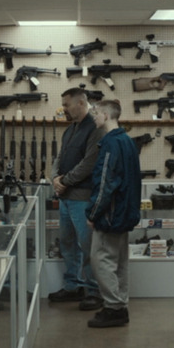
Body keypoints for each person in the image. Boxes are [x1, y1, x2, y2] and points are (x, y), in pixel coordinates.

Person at [85, 100, 142, 328]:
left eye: (96, 113)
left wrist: (93, 213)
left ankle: (114, 308)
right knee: (119, 263)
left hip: (110, 215)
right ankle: (119, 305)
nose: (94, 117)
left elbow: (104, 183)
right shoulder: (127, 141)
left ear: (107, 115)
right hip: (124, 214)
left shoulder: (110, 144)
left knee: (101, 261)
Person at [49, 87, 105, 311]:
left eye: (67, 104)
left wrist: (65, 181)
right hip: (66, 197)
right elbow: (60, 157)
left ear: (81, 103)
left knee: (88, 245)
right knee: (67, 243)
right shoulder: (70, 129)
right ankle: (73, 286)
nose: (63, 108)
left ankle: (94, 291)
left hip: (82, 197)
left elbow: (90, 163)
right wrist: (54, 178)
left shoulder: (95, 129)